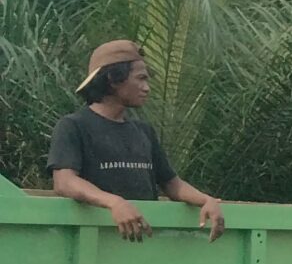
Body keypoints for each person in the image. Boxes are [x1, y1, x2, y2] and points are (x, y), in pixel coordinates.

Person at [48, 40, 225, 241]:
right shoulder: (74, 126)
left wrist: (205, 200)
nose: (147, 88)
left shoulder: (143, 131)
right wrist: (115, 203)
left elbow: (171, 183)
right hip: (94, 241)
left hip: (142, 244)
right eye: (140, 79)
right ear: (114, 79)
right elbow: (64, 182)